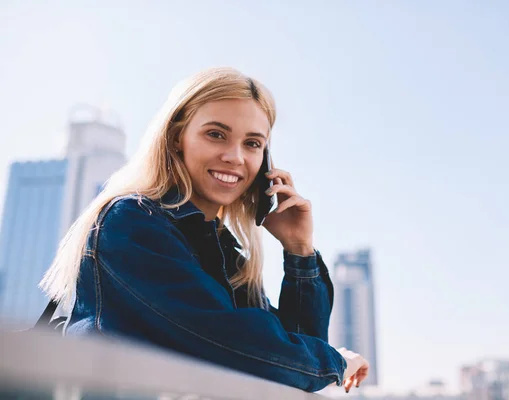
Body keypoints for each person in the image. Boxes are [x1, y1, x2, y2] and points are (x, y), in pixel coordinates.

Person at [40, 67, 369, 393]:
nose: (234, 156)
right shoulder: (131, 222)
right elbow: (232, 345)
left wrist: (299, 249)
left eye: (253, 143)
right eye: (216, 134)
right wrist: (335, 363)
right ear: (176, 138)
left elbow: (293, 359)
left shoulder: (225, 253)